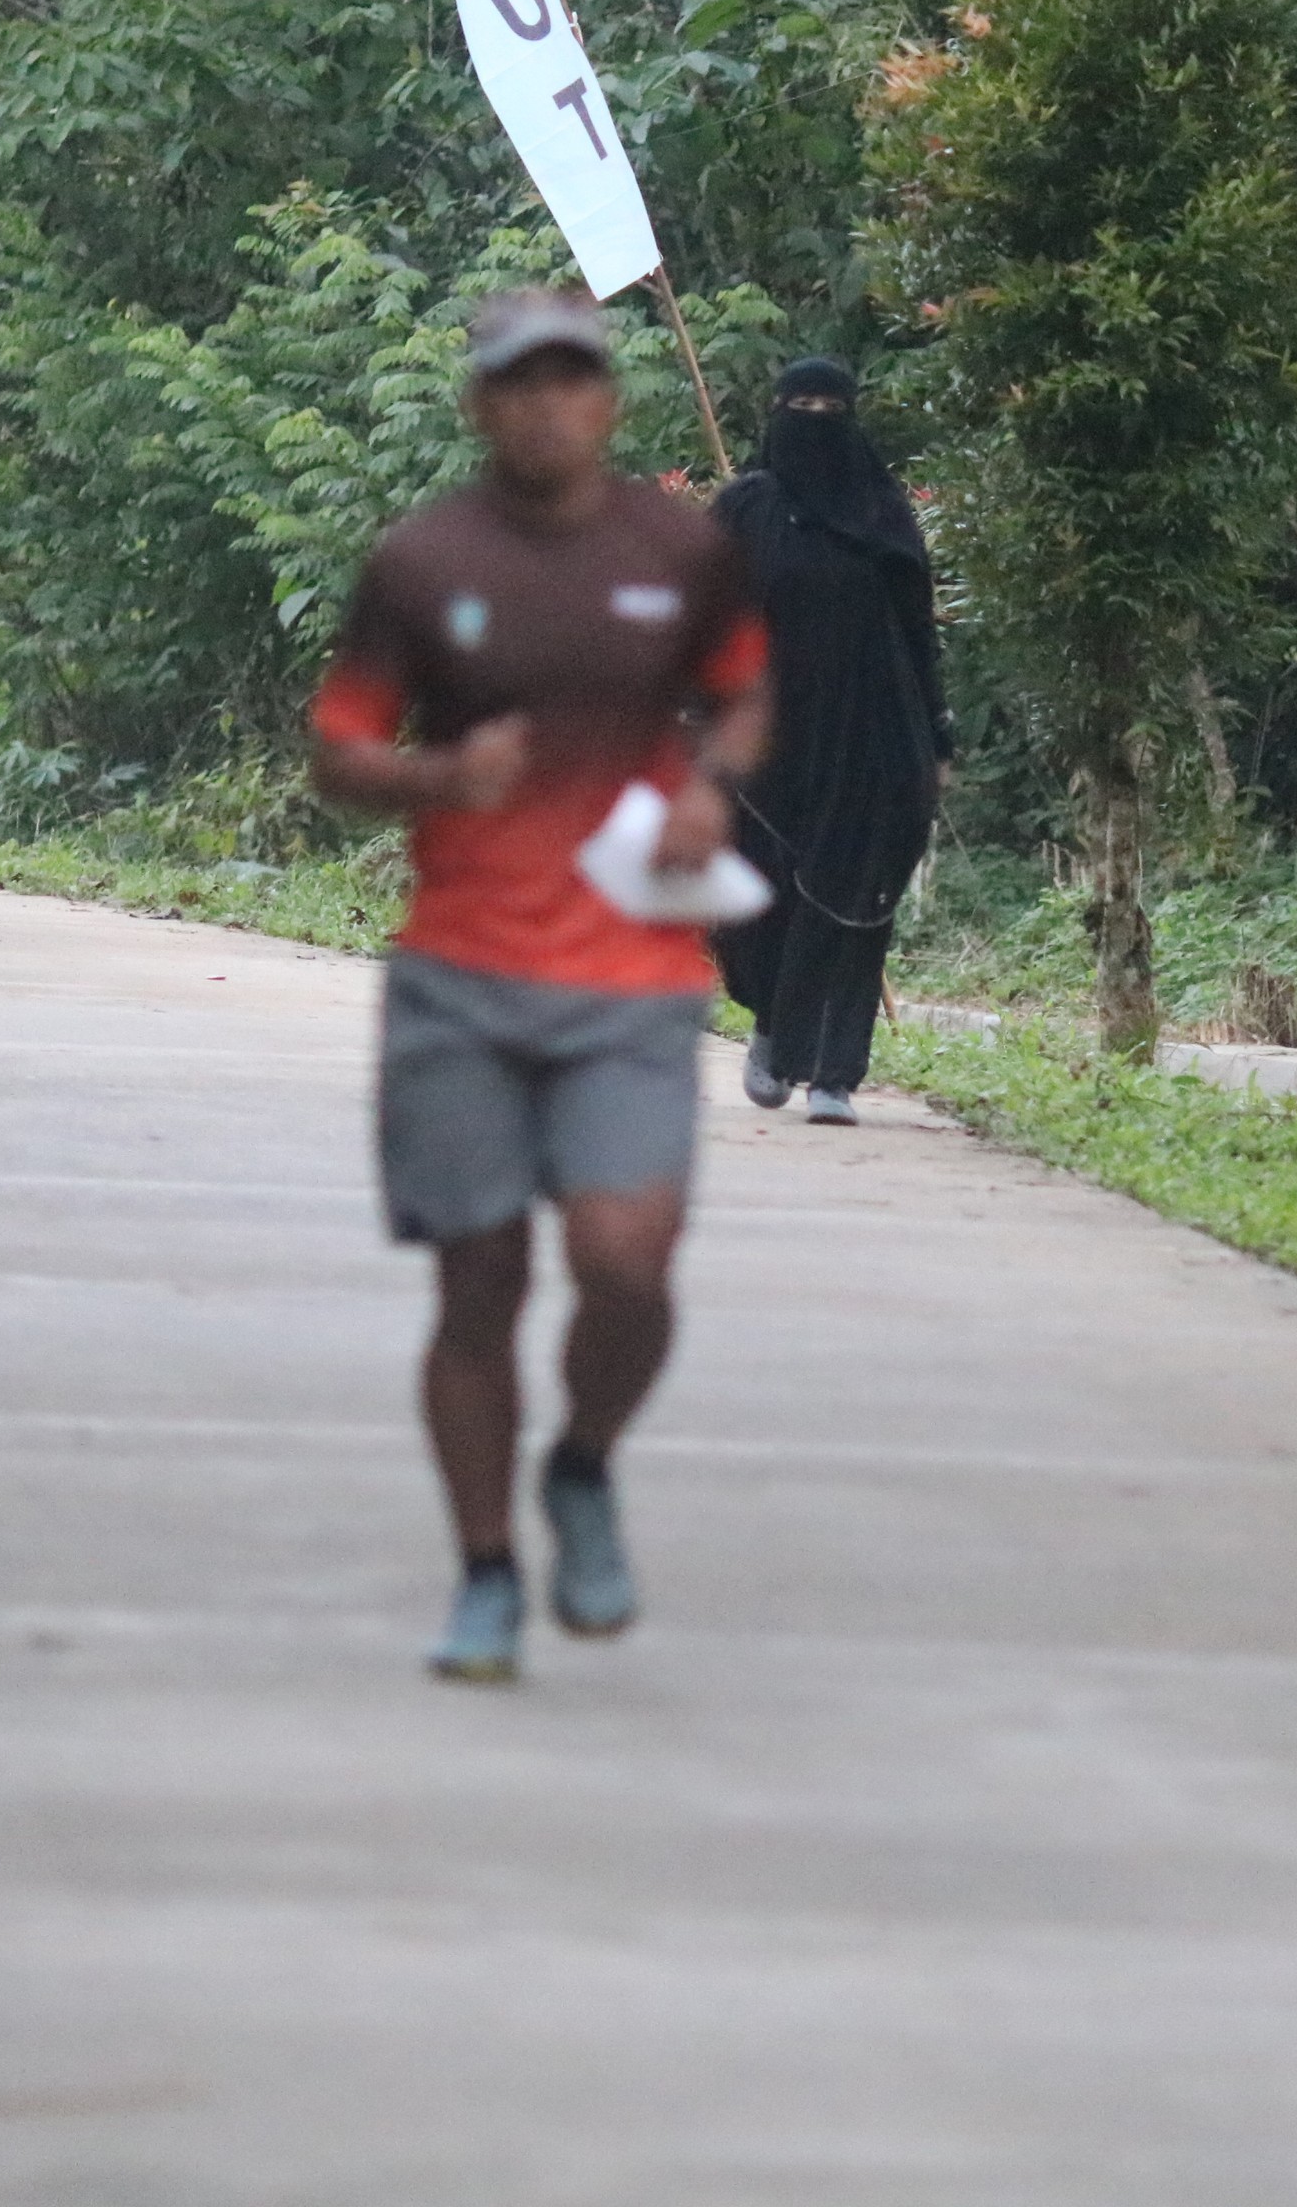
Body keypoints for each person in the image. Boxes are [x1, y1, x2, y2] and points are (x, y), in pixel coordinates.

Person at [308, 290, 771, 1686]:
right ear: (480, 407)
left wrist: (710, 783)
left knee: (628, 1261)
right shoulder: (422, 561)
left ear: (610, 403)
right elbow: (338, 749)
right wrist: (437, 775)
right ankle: (487, 1573)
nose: (548, 407)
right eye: (519, 385)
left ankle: (581, 1462)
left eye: (572, 381)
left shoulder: (680, 551)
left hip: (632, 971)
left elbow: (747, 691)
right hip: (462, 972)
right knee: (481, 1284)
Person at [708, 358, 951, 1127]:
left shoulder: (883, 516)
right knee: (757, 895)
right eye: (801, 405)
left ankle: (834, 1074)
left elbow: (917, 635)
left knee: (854, 893)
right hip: (766, 739)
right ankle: (773, 1020)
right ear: (776, 411)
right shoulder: (746, 508)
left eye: (832, 407)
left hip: (873, 735)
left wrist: (938, 736)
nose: (816, 421)